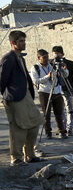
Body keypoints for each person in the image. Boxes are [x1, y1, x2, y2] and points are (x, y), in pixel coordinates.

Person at [0, 31, 44, 165]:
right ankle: (16, 158)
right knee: (18, 128)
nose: (24, 43)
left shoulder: (20, 58)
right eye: (21, 41)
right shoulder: (8, 58)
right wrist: (7, 98)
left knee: (35, 123)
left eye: (24, 41)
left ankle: (29, 155)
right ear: (13, 43)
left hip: (26, 96)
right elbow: (1, 80)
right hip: (15, 98)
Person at [30, 49, 68, 139]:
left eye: (47, 57)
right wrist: (48, 76)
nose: (47, 59)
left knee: (59, 112)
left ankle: (62, 131)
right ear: (39, 58)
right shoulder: (35, 68)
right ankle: (48, 132)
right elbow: (35, 81)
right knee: (46, 113)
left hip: (56, 91)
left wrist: (64, 70)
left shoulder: (53, 65)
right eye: (44, 57)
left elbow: (65, 75)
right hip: (44, 92)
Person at [52, 46, 73, 135]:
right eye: (54, 55)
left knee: (69, 109)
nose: (56, 57)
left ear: (62, 54)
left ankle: (69, 128)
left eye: (58, 55)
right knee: (59, 110)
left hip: (68, 88)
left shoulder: (69, 63)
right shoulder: (51, 63)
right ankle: (62, 128)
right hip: (56, 89)